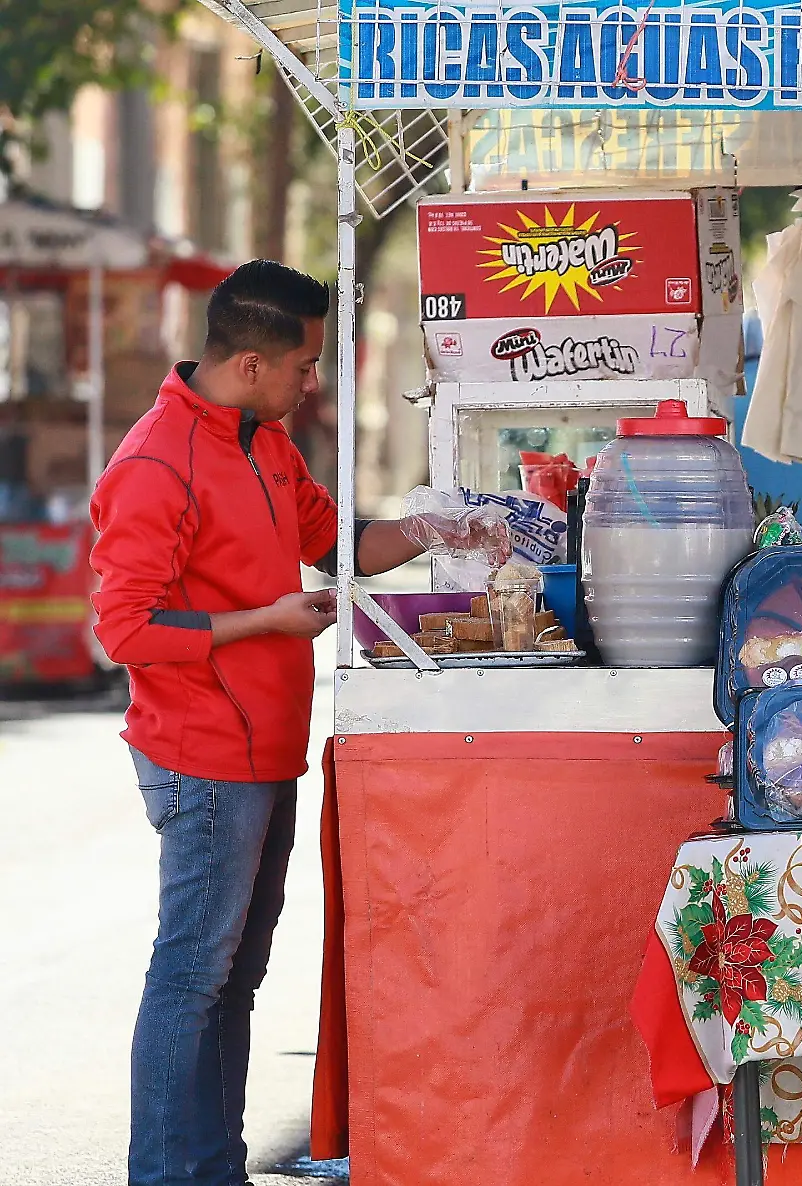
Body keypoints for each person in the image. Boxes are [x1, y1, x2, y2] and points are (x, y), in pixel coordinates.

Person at [89, 260, 503, 1186]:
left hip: (268, 751)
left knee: (233, 979)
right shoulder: (156, 465)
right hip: (201, 758)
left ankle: (212, 1168)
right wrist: (266, 621)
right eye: (304, 366)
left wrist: (439, 528)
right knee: (191, 977)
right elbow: (124, 631)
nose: (312, 381)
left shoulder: (262, 439)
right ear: (247, 362)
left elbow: (340, 543)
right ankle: (166, 1172)